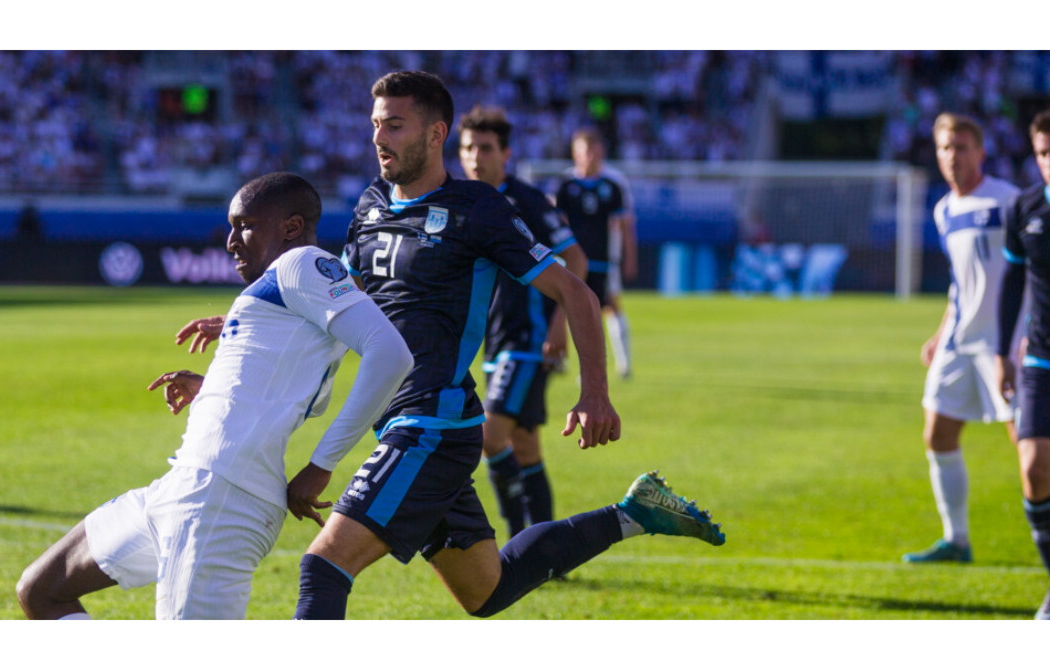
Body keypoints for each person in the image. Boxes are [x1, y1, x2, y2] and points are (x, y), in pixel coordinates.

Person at [287, 71, 724, 621]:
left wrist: (595, 393)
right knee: (487, 591)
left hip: (431, 426)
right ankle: (634, 514)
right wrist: (248, 330)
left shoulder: (478, 208)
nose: (378, 137)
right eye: (375, 124)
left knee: (324, 567)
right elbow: (335, 303)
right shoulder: (371, 203)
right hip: (398, 420)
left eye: (394, 125)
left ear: (435, 133)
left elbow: (576, 290)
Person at [14, 172, 412, 619]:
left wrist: (321, 466)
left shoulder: (301, 263)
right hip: (183, 485)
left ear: (291, 227)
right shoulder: (286, 297)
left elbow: (391, 354)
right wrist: (211, 388)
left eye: (245, 225)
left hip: (221, 496)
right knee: (41, 589)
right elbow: (275, 386)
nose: (231, 241)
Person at [457, 104, 588, 538]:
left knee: (490, 438)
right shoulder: (463, 200)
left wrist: (559, 324)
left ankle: (514, 541)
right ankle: (544, 548)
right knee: (526, 447)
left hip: (528, 340)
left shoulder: (527, 202)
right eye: (468, 148)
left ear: (506, 154)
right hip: (493, 340)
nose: (475, 157)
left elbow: (575, 260)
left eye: (486, 148)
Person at [904, 112, 1023, 564]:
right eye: (945, 148)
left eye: (961, 147)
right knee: (938, 433)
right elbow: (961, 281)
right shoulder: (944, 210)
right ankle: (956, 541)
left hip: (1007, 342)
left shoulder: (1009, 201)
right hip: (959, 341)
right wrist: (940, 333)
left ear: (981, 152)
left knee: (1030, 446)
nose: (952, 156)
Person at [997, 108, 1050, 620]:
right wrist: (1001, 353)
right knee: (1034, 468)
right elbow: (1012, 283)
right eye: (1043, 153)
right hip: (1040, 357)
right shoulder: (1025, 207)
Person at [555, 128, 638, 379]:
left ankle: (624, 365)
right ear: (575, 154)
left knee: (611, 306)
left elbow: (625, 225)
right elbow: (557, 224)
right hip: (572, 261)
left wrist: (629, 257)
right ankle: (562, 359)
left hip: (604, 260)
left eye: (594, 150)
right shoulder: (566, 185)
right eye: (585, 151)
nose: (590, 156)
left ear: (601, 152)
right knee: (568, 309)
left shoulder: (613, 185)